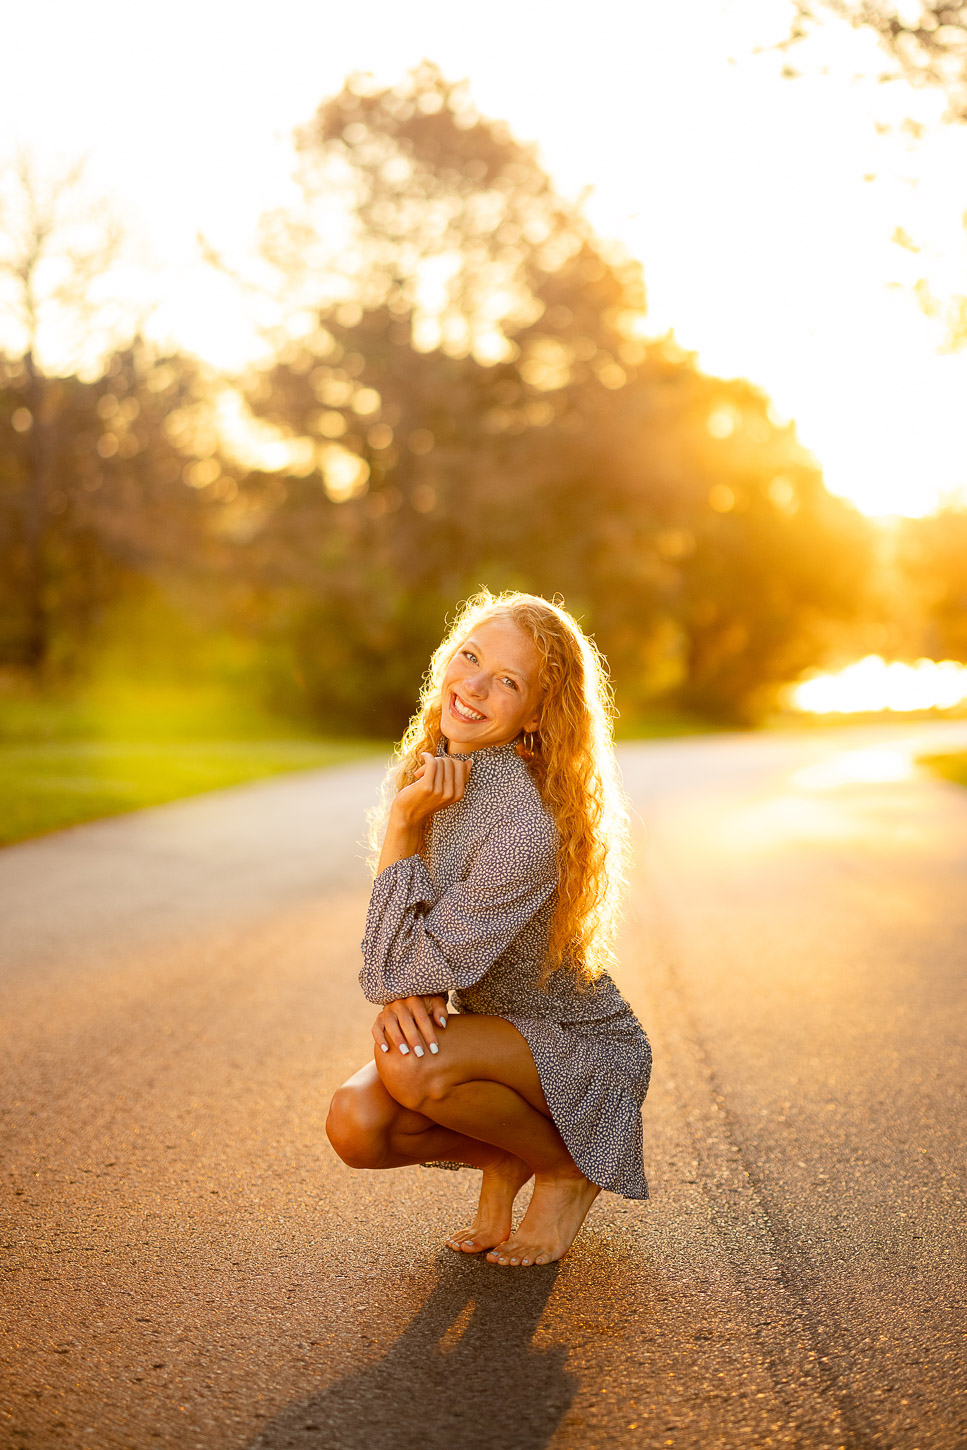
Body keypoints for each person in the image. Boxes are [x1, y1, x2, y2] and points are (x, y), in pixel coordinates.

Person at [326, 589, 652, 1267]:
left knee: (407, 1064)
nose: (471, 686)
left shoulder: (521, 830)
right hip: (487, 1037)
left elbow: (394, 970)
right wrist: (406, 820)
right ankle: (510, 1157)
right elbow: (405, 962)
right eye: (468, 657)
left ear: (537, 713)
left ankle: (563, 1168)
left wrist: (407, 984)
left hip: (578, 1045)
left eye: (506, 681)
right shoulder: (438, 776)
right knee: (354, 1126)